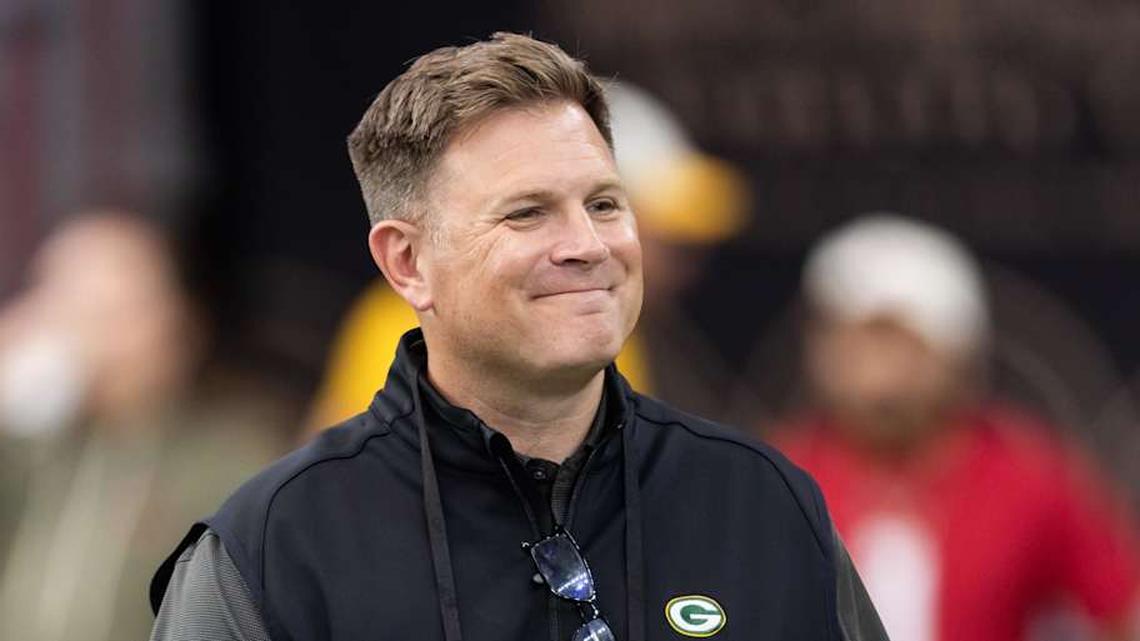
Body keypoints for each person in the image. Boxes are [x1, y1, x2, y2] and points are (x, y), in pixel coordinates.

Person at [148, 33, 887, 641]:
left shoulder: (767, 505)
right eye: (527, 213)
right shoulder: (272, 552)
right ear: (407, 262)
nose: (587, 244)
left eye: (604, 202)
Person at [304, 80, 749, 432]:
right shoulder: (415, 324)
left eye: (603, 207)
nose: (684, 267)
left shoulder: (601, 321)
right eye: (529, 213)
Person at [775, 214, 1140, 641]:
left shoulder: (1026, 476)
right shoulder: (781, 477)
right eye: (851, 340)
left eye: (897, 341)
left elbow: (1121, 611)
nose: (877, 371)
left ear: (955, 353)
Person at [0, 211, 282, 641]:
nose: (80, 336)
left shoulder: (233, 455)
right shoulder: (40, 446)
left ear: (174, 319)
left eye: (104, 313)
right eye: (62, 310)